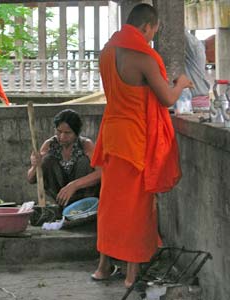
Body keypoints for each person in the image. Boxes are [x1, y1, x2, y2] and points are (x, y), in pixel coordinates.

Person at [90, 4, 193, 288]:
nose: (150, 39)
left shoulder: (107, 52)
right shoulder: (142, 57)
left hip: (112, 136)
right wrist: (181, 83)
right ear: (147, 27)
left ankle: (103, 267)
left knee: (110, 205)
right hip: (134, 140)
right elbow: (167, 99)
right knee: (136, 207)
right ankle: (132, 274)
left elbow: (127, 92)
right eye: (152, 33)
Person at [27, 109, 101, 208]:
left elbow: (101, 173)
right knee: (47, 160)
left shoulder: (85, 145)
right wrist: (36, 165)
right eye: (59, 131)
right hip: (59, 198)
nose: (62, 137)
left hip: (84, 199)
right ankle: (59, 206)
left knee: (83, 161)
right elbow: (31, 179)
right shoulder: (49, 145)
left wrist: (74, 185)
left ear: (76, 133)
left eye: (67, 133)